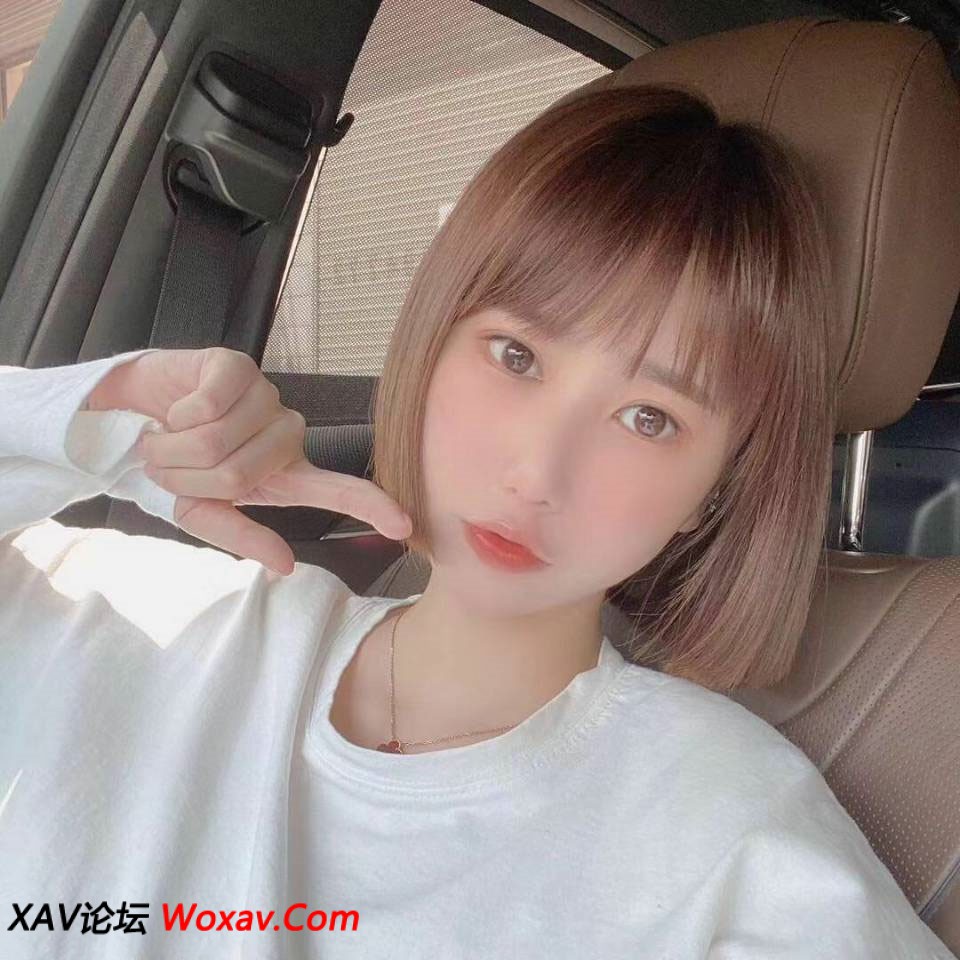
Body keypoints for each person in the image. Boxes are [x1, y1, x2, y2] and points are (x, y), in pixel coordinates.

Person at [0, 85, 953, 959]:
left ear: (714, 487)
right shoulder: (147, 618)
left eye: (648, 418)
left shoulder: (730, 836)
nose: (536, 473)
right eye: (516, 356)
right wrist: (87, 420)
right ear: (434, 336)